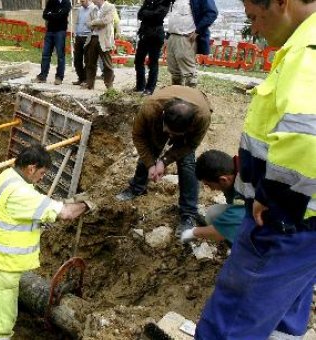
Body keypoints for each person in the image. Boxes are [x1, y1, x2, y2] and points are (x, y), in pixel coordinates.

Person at [195, 0, 316, 337]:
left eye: (254, 18)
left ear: (282, 3)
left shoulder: (308, 51)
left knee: (229, 323)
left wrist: (274, 197)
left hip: (283, 223)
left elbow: (308, 138)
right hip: (305, 223)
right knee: (283, 312)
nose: (256, 30)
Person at [0, 145, 92, 340]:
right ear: (31, 168)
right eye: (42, 173)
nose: (43, 177)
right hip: (2, 267)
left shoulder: (6, 177)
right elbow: (67, 213)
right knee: (3, 324)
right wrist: (88, 203)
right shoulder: (22, 194)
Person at [115, 85, 212, 235]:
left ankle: (188, 213)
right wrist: (150, 165)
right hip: (159, 118)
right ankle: (137, 188)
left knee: (187, 163)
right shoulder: (150, 109)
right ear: (164, 116)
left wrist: (164, 161)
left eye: (176, 134)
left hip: (189, 121)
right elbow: (138, 137)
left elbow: (191, 144)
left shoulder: (202, 117)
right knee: (150, 149)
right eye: (169, 131)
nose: (171, 136)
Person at [180, 150, 244, 245]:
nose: (210, 189)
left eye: (209, 185)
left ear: (223, 180)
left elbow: (225, 227)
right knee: (214, 215)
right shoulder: (235, 169)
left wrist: (192, 233)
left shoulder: (245, 186)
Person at [165, 0, 217, 87]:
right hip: (173, 35)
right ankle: (176, 94)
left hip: (186, 36)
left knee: (189, 72)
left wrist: (198, 31)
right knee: (174, 70)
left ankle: (190, 96)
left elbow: (211, 13)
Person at [134, 0, 171, 95]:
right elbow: (139, 14)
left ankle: (150, 88)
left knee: (153, 62)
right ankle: (140, 86)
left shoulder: (165, 2)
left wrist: (147, 13)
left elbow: (158, 16)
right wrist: (149, 13)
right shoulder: (148, 0)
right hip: (144, 33)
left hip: (156, 35)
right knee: (138, 60)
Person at [34, 0, 71, 85]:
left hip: (60, 32)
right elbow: (44, 15)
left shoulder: (66, 3)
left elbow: (61, 16)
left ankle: (59, 77)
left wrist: (51, 14)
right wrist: (54, 14)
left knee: (60, 56)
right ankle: (42, 76)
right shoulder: (51, 1)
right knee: (45, 54)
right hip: (49, 31)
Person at [83, 0, 116, 90]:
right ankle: (90, 84)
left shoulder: (110, 7)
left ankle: (109, 85)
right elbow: (87, 23)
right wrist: (96, 22)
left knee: (107, 64)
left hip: (104, 39)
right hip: (93, 38)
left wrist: (94, 22)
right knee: (90, 63)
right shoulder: (93, 9)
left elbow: (105, 21)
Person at [72, 0, 95, 86]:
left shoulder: (94, 8)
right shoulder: (80, 9)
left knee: (88, 59)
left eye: (83, 1)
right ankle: (81, 78)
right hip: (79, 36)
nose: (81, 3)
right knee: (77, 59)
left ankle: (86, 79)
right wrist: (75, 33)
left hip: (88, 36)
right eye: (80, 1)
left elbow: (95, 23)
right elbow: (77, 22)